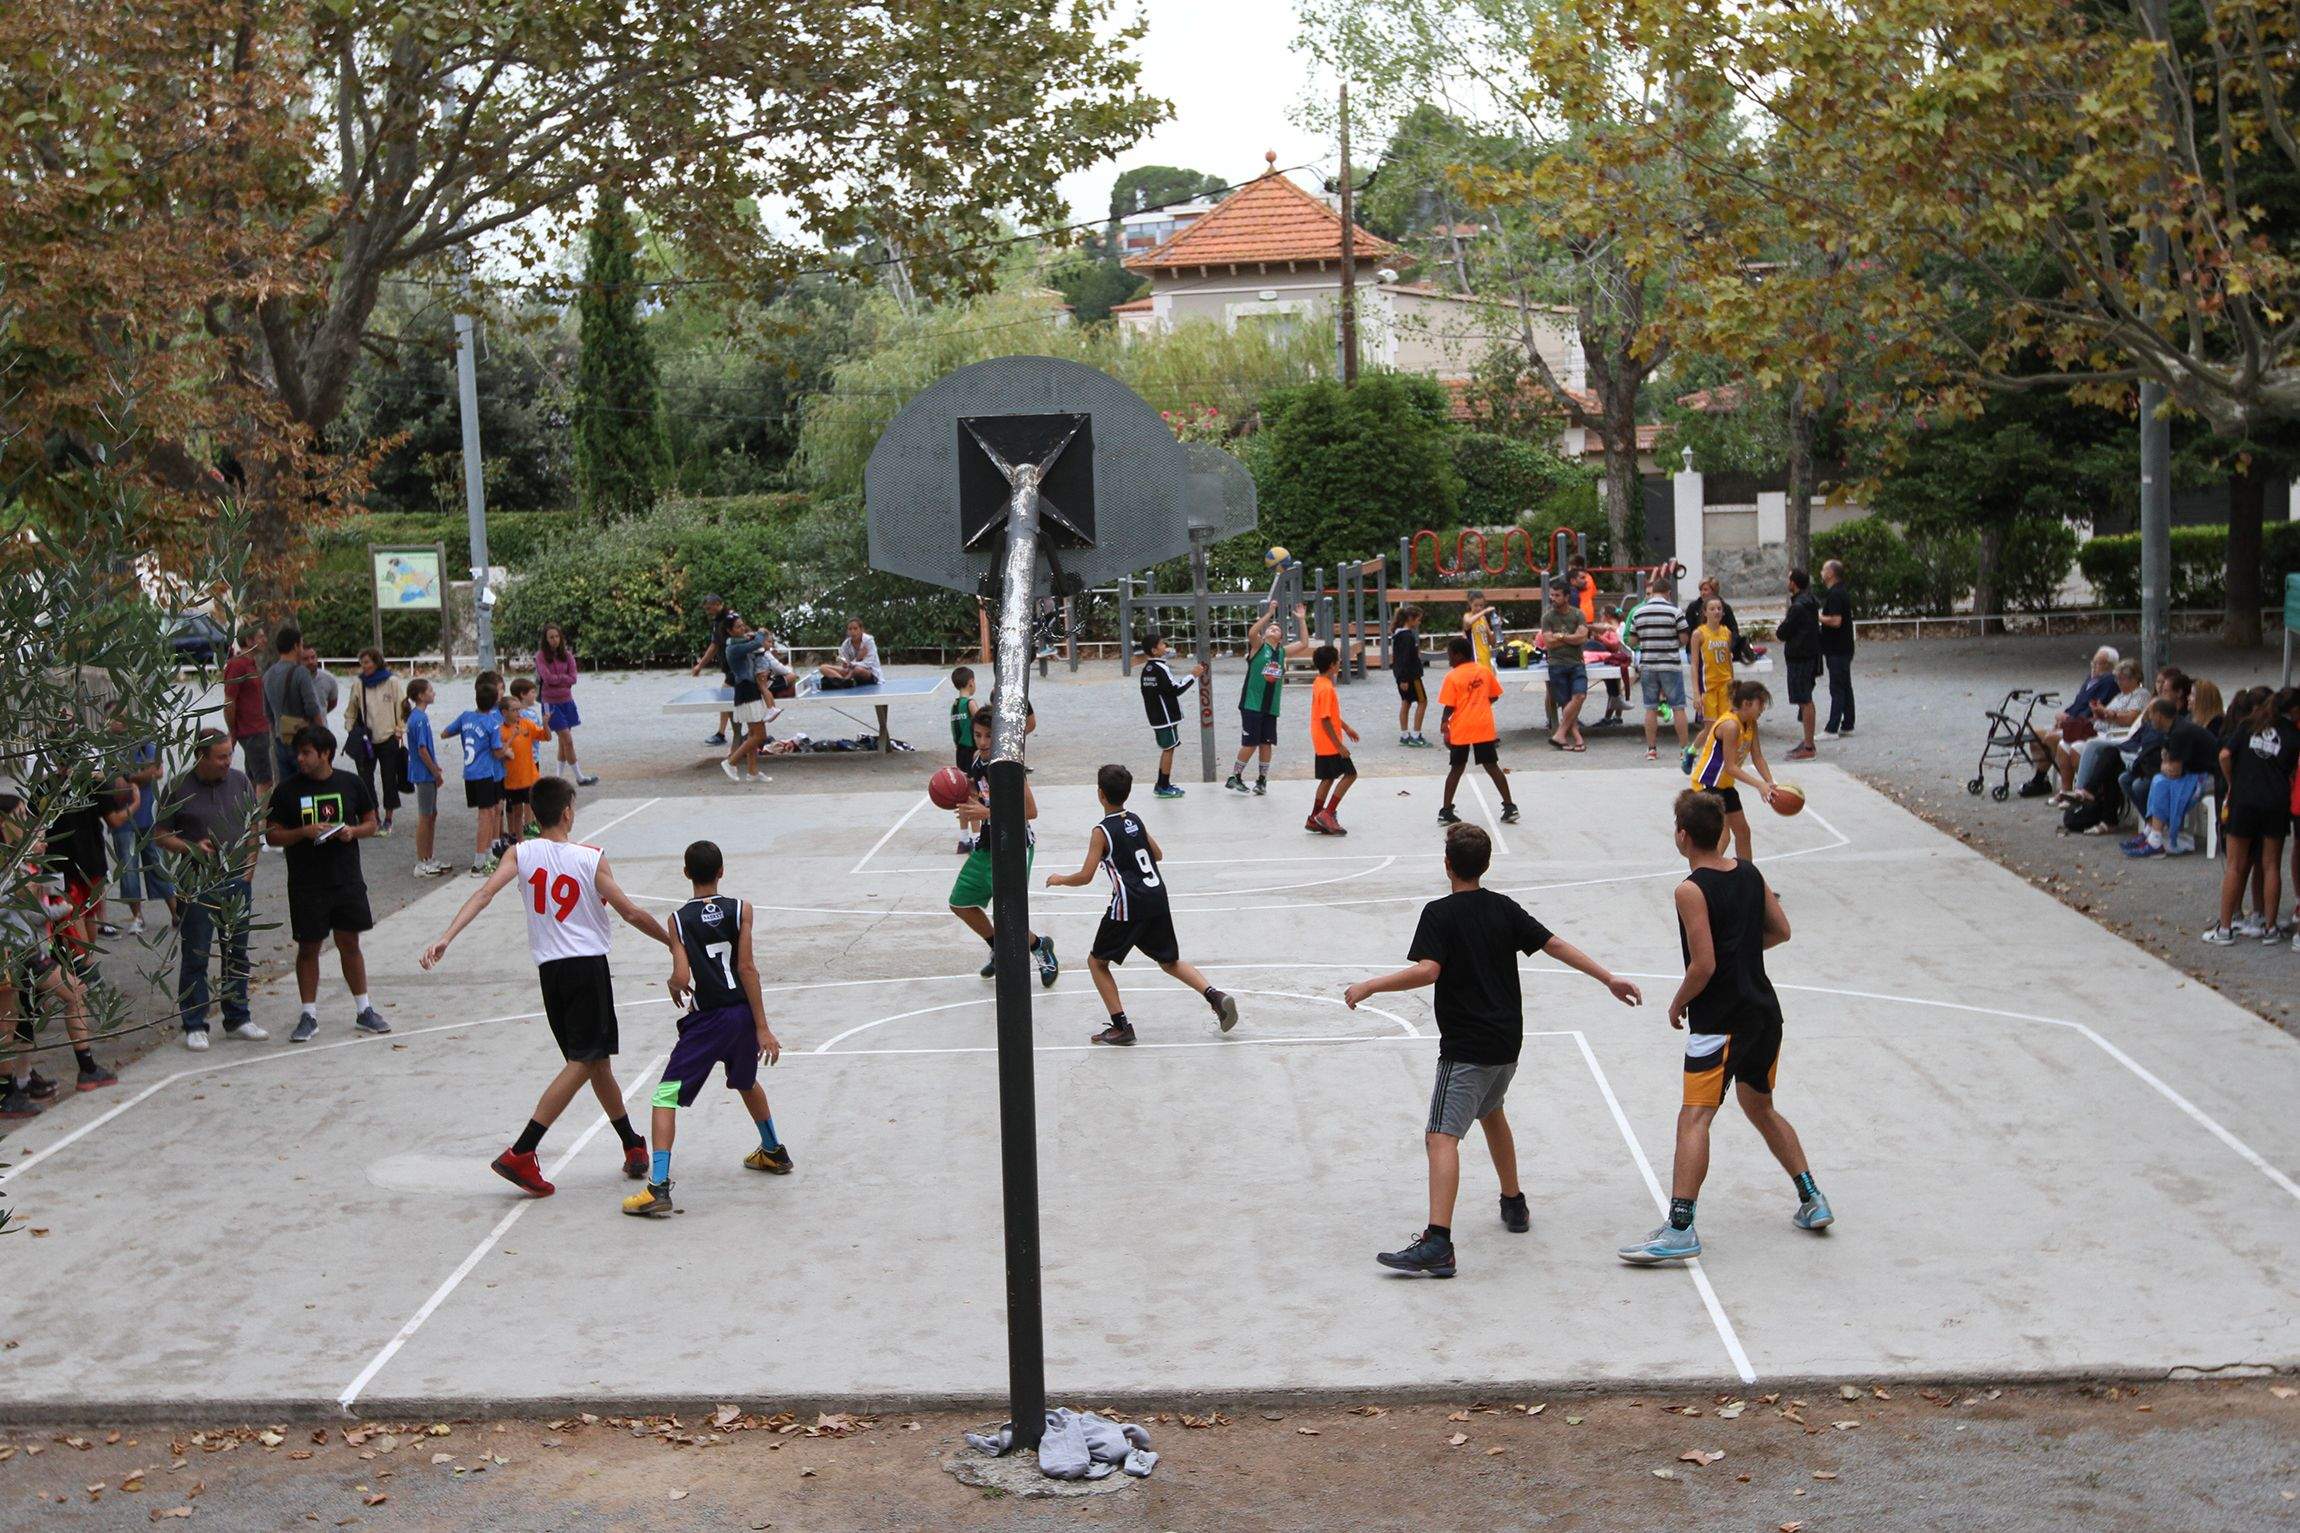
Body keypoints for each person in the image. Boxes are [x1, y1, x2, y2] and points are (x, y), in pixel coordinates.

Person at [1344, 822, 1641, 1277]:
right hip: (1507, 1043)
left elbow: (1428, 971)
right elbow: (1555, 944)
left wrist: (1370, 986)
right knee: (1491, 1112)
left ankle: (1438, 1243)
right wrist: (1608, 978)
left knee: (1440, 1136)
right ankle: (1513, 1202)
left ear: (1447, 865)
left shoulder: (1439, 913)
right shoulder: (1503, 908)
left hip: (1468, 1047)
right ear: (1485, 864)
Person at [421, 777, 671, 1197]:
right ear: (568, 812)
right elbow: (630, 912)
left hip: (550, 973)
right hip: (586, 969)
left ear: (535, 815)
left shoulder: (521, 853)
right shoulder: (590, 858)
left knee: (596, 1062)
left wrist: (447, 936)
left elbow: (484, 894)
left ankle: (631, 1143)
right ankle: (523, 1149)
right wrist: (672, 943)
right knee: (584, 1061)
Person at [1618, 791, 1832, 1264]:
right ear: (1721, 832)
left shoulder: (1690, 889)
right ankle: (1812, 1198)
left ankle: (1680, 1228)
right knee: (1761, 1107)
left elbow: (1704, 965)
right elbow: (1781, 931)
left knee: (1694, 1117)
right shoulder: (1750, 873)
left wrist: (1678, 1002)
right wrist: (1743, 950)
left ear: (1682, 835)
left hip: (1719, 1022)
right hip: (1764, 1014)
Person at [621, 839, 791, 1218]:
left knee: (664, 1096)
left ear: (686, 873)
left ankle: (658, 1186)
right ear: (721, 871)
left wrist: (673, 982)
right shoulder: (741, 909)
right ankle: (773, 1150)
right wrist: (763, 1027)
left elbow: (683, 977)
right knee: (746, 1080)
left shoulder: (678, 920)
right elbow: (747, 968)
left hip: (708, 1021)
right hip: (742, 1016)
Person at [1044, 763, 1238, 1047]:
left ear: (1100, 794)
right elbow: (1157, 854)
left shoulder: (1101, 831)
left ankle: (1121, 1026)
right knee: (1169, 961)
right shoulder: (1135, 819)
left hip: (1129, 905)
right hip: (1156, 897)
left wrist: (1060, 879)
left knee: (1097, 962)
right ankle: (1215, 996)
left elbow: (1085, 876)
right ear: (1127, 792)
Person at [265, 725, 390, 1043]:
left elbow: (371, 822)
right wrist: (302, 833)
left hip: (346, 878)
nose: (300, 758)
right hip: (306, 882)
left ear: (325, 754)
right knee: (308, 947)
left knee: (350, 942)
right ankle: (308, 1014)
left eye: (306, 753)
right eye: (298, 752)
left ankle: (364, 1008)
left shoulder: (351, 783)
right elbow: (272, 835)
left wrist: (352, 832)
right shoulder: (287, 790)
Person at [155, 731, 267, 1049]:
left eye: (229, 754)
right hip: (197, 883)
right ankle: (194, 1023)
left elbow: (254, 824)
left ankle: (238, 1018)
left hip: (236, 881)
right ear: (200, 757)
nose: (227, 761)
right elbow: (160, 834)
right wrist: (190, 847)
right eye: (220, 757)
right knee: (197, 953)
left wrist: (250, 866)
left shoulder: (240, 781)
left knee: (236, 951)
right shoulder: (178, 787)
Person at [0, 794, 114, 1105]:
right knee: (22, 1016)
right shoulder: (11, 865)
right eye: (21, 816)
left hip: (27, 950)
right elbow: (24, 911)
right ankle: (80, 1070)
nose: (27, 823)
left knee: (22, 1019)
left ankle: (20, 1081)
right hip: (16, 953)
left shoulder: (19, 861)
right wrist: (58, 907)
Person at [950, 704, 1060, 986]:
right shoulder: (977, 761)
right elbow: (978, 793)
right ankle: (997, 946)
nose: (982, 742)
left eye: (988, 735)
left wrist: (986, 812)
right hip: (988, 845)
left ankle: (1039, 947)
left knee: (1009, 912)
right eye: (978, 735)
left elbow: (1031, 811)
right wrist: (961, 797)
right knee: (960, 903)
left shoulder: (1009, 765)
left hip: (1015, 846)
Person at [2206, 686, 2297, 944]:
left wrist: (2232, 781)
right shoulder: (2292, 732)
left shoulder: (2249, 724)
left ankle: (2225, 929)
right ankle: (2270, 928)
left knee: (2235, 865)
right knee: (2271, 865)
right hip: (2276, 800)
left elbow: (2225, 755)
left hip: (2244, 798)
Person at [1224, 603, 1315, 796]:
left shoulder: (1282, 652)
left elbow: (1304, 644)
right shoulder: (1258, 647)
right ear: (1264, 635)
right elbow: (1252, 632)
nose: (1273, 628)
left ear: (1281, 637)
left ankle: (1262, 780)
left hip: (1271, 706)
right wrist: (1269, 614)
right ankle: (1235, 776)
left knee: (1266, 743)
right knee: (1250, 743)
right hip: (1252, 703)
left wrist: (1301, 619)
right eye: (1270, 628)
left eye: (1277, 629)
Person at [1690, 681, 1781, 862]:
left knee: (1743, 832)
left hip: (1724, 786)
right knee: (1722, 836)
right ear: (1746, 703)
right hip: (1707, 784)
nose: (1763, 708)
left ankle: (1747, 876)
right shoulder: (1730, 726)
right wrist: (1759, 785)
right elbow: (1730, 767)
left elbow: (1758, 757)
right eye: (1761, 704)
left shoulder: (1751, 724)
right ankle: (1705, 873)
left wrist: (1770, 782)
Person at [1437, 635, 1518, 827]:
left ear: (1458, 655)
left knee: (1456, 768)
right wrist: (1480, 703)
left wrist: (1444, 723)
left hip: (1462, 727)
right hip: (1483, 725)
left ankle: (1446, 811)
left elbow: (1449, 706)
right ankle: (1510, 807)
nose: (1448, 658)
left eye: (1450, 654)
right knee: (1492, 766)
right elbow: (1494, 696)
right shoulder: (1483, 671)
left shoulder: (1452, 676)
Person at [2022, 646, 2124, 799]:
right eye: (2093, 662)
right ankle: (2040, 779)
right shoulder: (2091, 679)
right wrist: (2064, 714)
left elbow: (2093, 709)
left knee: (2050, 738)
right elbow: (2078, 703)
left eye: (2098, 663)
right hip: (2072, 722)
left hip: (2084, 727)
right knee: (2035, 734)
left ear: (2110, 666)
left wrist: (2068, 720)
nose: (2093, 666)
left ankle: (2068, 783)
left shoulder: (2109, 682)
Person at [2121, 698, 2217, 857]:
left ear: (2159, 715)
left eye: (2150, 714)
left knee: (2161, 782)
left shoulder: (2180, 732)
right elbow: (2166, 758)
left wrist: (2164, 765)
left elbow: (2174, 771)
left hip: (2210, 776)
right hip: (2192, 772)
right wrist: (2166, 764)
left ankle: (2156, 840)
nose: (2149, 719)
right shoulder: (2172, 729)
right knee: (2159, 780)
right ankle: (2151, 833)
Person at [112, 739, 176, 935]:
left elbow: (157, 771)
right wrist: (140, 776)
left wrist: (130, 777)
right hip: (123, 819)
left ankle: (176, 912)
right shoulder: (109, 748)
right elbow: (112, 781)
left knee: (158, 864)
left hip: (149, 815)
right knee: (129, 870)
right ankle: (137, 917)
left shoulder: (144, 744)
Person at [446, 679, 509, 875]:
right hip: (484, 773)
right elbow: (497, 752)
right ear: (495, 702)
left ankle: (488, 854)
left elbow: (445, 733)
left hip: (469, 772)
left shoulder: (466, 717)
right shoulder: (492, 723)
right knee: (486, 816)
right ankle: (479, 862)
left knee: (489, 813)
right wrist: (508, 747)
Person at [342, 649, 407, 837]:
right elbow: (351, 710)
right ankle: (374, 817)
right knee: (365, 780)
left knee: (389, 779)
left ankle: (389, 818)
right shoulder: (359, 684)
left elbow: (402, 708)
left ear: (377, 662)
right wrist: (351, 729)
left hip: (388, 737)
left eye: (368, 662)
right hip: (366, 739)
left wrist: (399, 729)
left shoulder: (392, 682)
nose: (365, 666)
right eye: (362, 663)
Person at [1628, 574, 1691, 763]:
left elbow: (1632, 641)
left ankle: (1651, 749)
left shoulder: (1639, 612)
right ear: (1668, 593)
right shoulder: (1675, 611)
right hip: (1670, 665)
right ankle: (1684, 750)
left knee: (1650, 708)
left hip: (1648, 665)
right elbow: (1684, 639)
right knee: (1678, 707)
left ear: (1653, 592)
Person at [1137, 631, 1205, 799]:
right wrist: (1193, 675)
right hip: (1165, 718)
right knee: (1169, 749)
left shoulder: (1147, 669)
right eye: (1162, 644)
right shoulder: (1160, 668)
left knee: (1167, 748)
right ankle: (1163, 786)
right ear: (1154, 650)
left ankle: (1162, 783)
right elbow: (1175, 689)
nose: (1165, 646)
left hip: (1156, 717)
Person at [533, 623, 599, 786]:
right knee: (567, 739)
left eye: (557, 636)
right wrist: (563, 678)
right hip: (550, 703)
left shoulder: (568, 655)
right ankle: (579, 777)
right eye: (551, 637)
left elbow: (573, 678)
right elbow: (547, 678)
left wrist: (558, 679)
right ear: (545, 639)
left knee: (563, 741)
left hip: (567, 701)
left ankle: (558, 778)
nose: (554, 640)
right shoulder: (540, 656)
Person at [1307, 643, 1360, 835]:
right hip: (1330, 742)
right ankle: (1328, 813)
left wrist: (1346, 728)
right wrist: (1339, 746)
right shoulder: (1327, 689)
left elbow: (1328, 714)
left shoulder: (1319, 682)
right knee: (1351, 774)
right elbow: (1326, 719)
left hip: (1320, 740)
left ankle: (1314, 817)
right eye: (1338, 660)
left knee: (1328, 778)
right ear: (1332, 664)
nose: (1339, 663)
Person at [262, 624, 325, 781]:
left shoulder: (268, 675)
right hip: (303, 740)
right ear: (296, 646)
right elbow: (312, 708)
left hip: (281, 738)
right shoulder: (300, 672)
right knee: (309, 785)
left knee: (289, 786)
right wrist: (323, 734)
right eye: (301, 645)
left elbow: (267, 712)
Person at [403, 678, 451, 876]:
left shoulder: (418, 716)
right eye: (430, 690)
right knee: (425, 816)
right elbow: (422, 749)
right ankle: (422, 861)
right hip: (424, 773)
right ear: (421, 695)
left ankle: (429, 857)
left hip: (425, 772)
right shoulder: (420, 719)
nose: (433, 693)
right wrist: (434, 771)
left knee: (432, 814)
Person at [720, 615, 776, 783]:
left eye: (742, 625)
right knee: (760, 735)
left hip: (750, 690)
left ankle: (752, 772)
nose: (742, 628)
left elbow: (754, 644)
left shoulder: (741, 642)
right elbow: (757, 643)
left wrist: (752, 635)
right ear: (730, 631)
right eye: (738, 626)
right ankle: (731, 762)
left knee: (753, 734)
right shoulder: (733, 648)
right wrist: (761, 633)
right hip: (746, 691)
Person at [220, 623, 274, 788]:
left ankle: (249, 804)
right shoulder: (237, 665)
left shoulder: (253, 664)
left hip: (261, 728)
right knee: (265, 780)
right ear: (250, 640)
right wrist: (233, 730)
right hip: (252, 731)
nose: (265, 640)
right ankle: (264, 806)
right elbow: (229, 701)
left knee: (253, 778)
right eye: (261, 637)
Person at [1538, 584, 1591, 752]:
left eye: (1557, 595)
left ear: (1567, 597)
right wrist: (1571, 637)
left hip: (1576, 663)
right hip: (1556, 664)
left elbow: (1582, 638)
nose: (1552, 598)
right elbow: (1549, 642)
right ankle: (1577, 737)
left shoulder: (1578, 614)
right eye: (1552, 595)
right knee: (1567, 703)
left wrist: (1560, 636)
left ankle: (1560, 733)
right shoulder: (1547, 617)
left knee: (1580, 696)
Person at [1777, 569, 1823, 761]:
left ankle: (1809, 746)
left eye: (1789, 579)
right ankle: (1807, 741)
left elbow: (1782, 632)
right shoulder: (1809, 601)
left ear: (1794, 583)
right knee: (1805, 699)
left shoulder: (1798, 607)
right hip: (1808, 655)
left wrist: (1782, 627)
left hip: (1800, 656)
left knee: (1804, 700)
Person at [498, 678, 551, 842]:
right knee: (516, 810)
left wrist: (546, 724)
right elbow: (499, 752)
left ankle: (545, 836)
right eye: (514, 710)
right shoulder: (500, 730)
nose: (518, 713)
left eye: (518, 709)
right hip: (512, 779)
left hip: (530, 776)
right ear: (504, 712)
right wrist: (512, 737)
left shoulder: (526, 724)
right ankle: (519, 840)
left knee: (538, 807)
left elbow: (546, 737)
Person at [691, 593, 739, 747]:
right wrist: (700, 665)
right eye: (706, 609)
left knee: (726, 697)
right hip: (730, 667)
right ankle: (736, 733)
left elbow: (715, 646)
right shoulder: (718, 620)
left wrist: (700, 666)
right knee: (732, 698)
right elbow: (715, 645)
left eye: (709, 608)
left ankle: (723, 734)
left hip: (736, 666)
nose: (708, 611)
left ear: (719, 604)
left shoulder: (729, 619)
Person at [1818, 559, 1856, 737]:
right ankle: (1848, 723)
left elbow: (1836, 620)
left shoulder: (1835, 594)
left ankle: (1832, 728)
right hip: (1844, 647)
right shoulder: (1841, 591)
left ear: (1831, 573)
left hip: (1837, 649)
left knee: (1837, 688)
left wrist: (1819, 617)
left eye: (1824, 569)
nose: (1821, 572)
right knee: (1845, 685)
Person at [1691, 595, 1736, 728]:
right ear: (1705, 612)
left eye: (1719, 609)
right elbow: (1694, 665)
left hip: (1725, 683)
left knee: (1726, 722)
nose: (1716, 611)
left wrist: (1733, 683)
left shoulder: (1726, 632)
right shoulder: (1698, 634)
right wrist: (1696, 693)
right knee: (1710, 727)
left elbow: (1728, 660)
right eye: (1712, 609)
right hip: (1709, 685)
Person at [1391, 604, 1431, 746]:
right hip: (1411, 677)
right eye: (1418, 619)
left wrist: (1400, 677)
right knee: (1423, 701)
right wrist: (1404, 679)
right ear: (1410, 619)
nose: (1419, 622)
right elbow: (1404, 659)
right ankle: (1416, 735)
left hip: (1402, 676)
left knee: (1406, 702)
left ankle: (1405, 735)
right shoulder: (1407, 636)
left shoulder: (1398, 634)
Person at [949, 666, 979, 854]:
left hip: (959, 752)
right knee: (974, 795)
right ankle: (977, 839)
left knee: (963, 795)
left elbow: (955, 731)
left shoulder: (954, 705)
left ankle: (963, 839)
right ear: (971, 682)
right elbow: (982, 723)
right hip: (972, 752)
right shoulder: (970, 703)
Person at [815, 617, 881, 689]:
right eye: (850, 629)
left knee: (857, 670)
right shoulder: (846, 644)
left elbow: (868, 663)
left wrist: (851, 664)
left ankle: (843, 681)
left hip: (869, 673)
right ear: (847, 631)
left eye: (855, 628)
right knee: (823, 668)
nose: (852, 631)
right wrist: (849, 661)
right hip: (850, 671)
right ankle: (844, 682)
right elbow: (844, 661)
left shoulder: (869, 641)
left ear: (861, 629)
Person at [1461, 590, 1503, 675]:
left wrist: (1496, 628)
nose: (1479, 608)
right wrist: (1484, 611)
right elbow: (1468, 622)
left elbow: (1492, 642)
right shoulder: (1467, 616)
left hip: (1486, 659)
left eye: (1481, 605)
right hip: (1475, 660)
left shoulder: (1483, 619)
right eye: (1476, 605)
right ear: (1470, 604)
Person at [304, 645, 340, 726]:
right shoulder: (294, 680)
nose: (310, 661)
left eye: (313, 657)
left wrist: (321, 714)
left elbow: (333, 703)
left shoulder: (329, 679)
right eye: (305, 659)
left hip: (321, 728)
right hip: (300, 729)